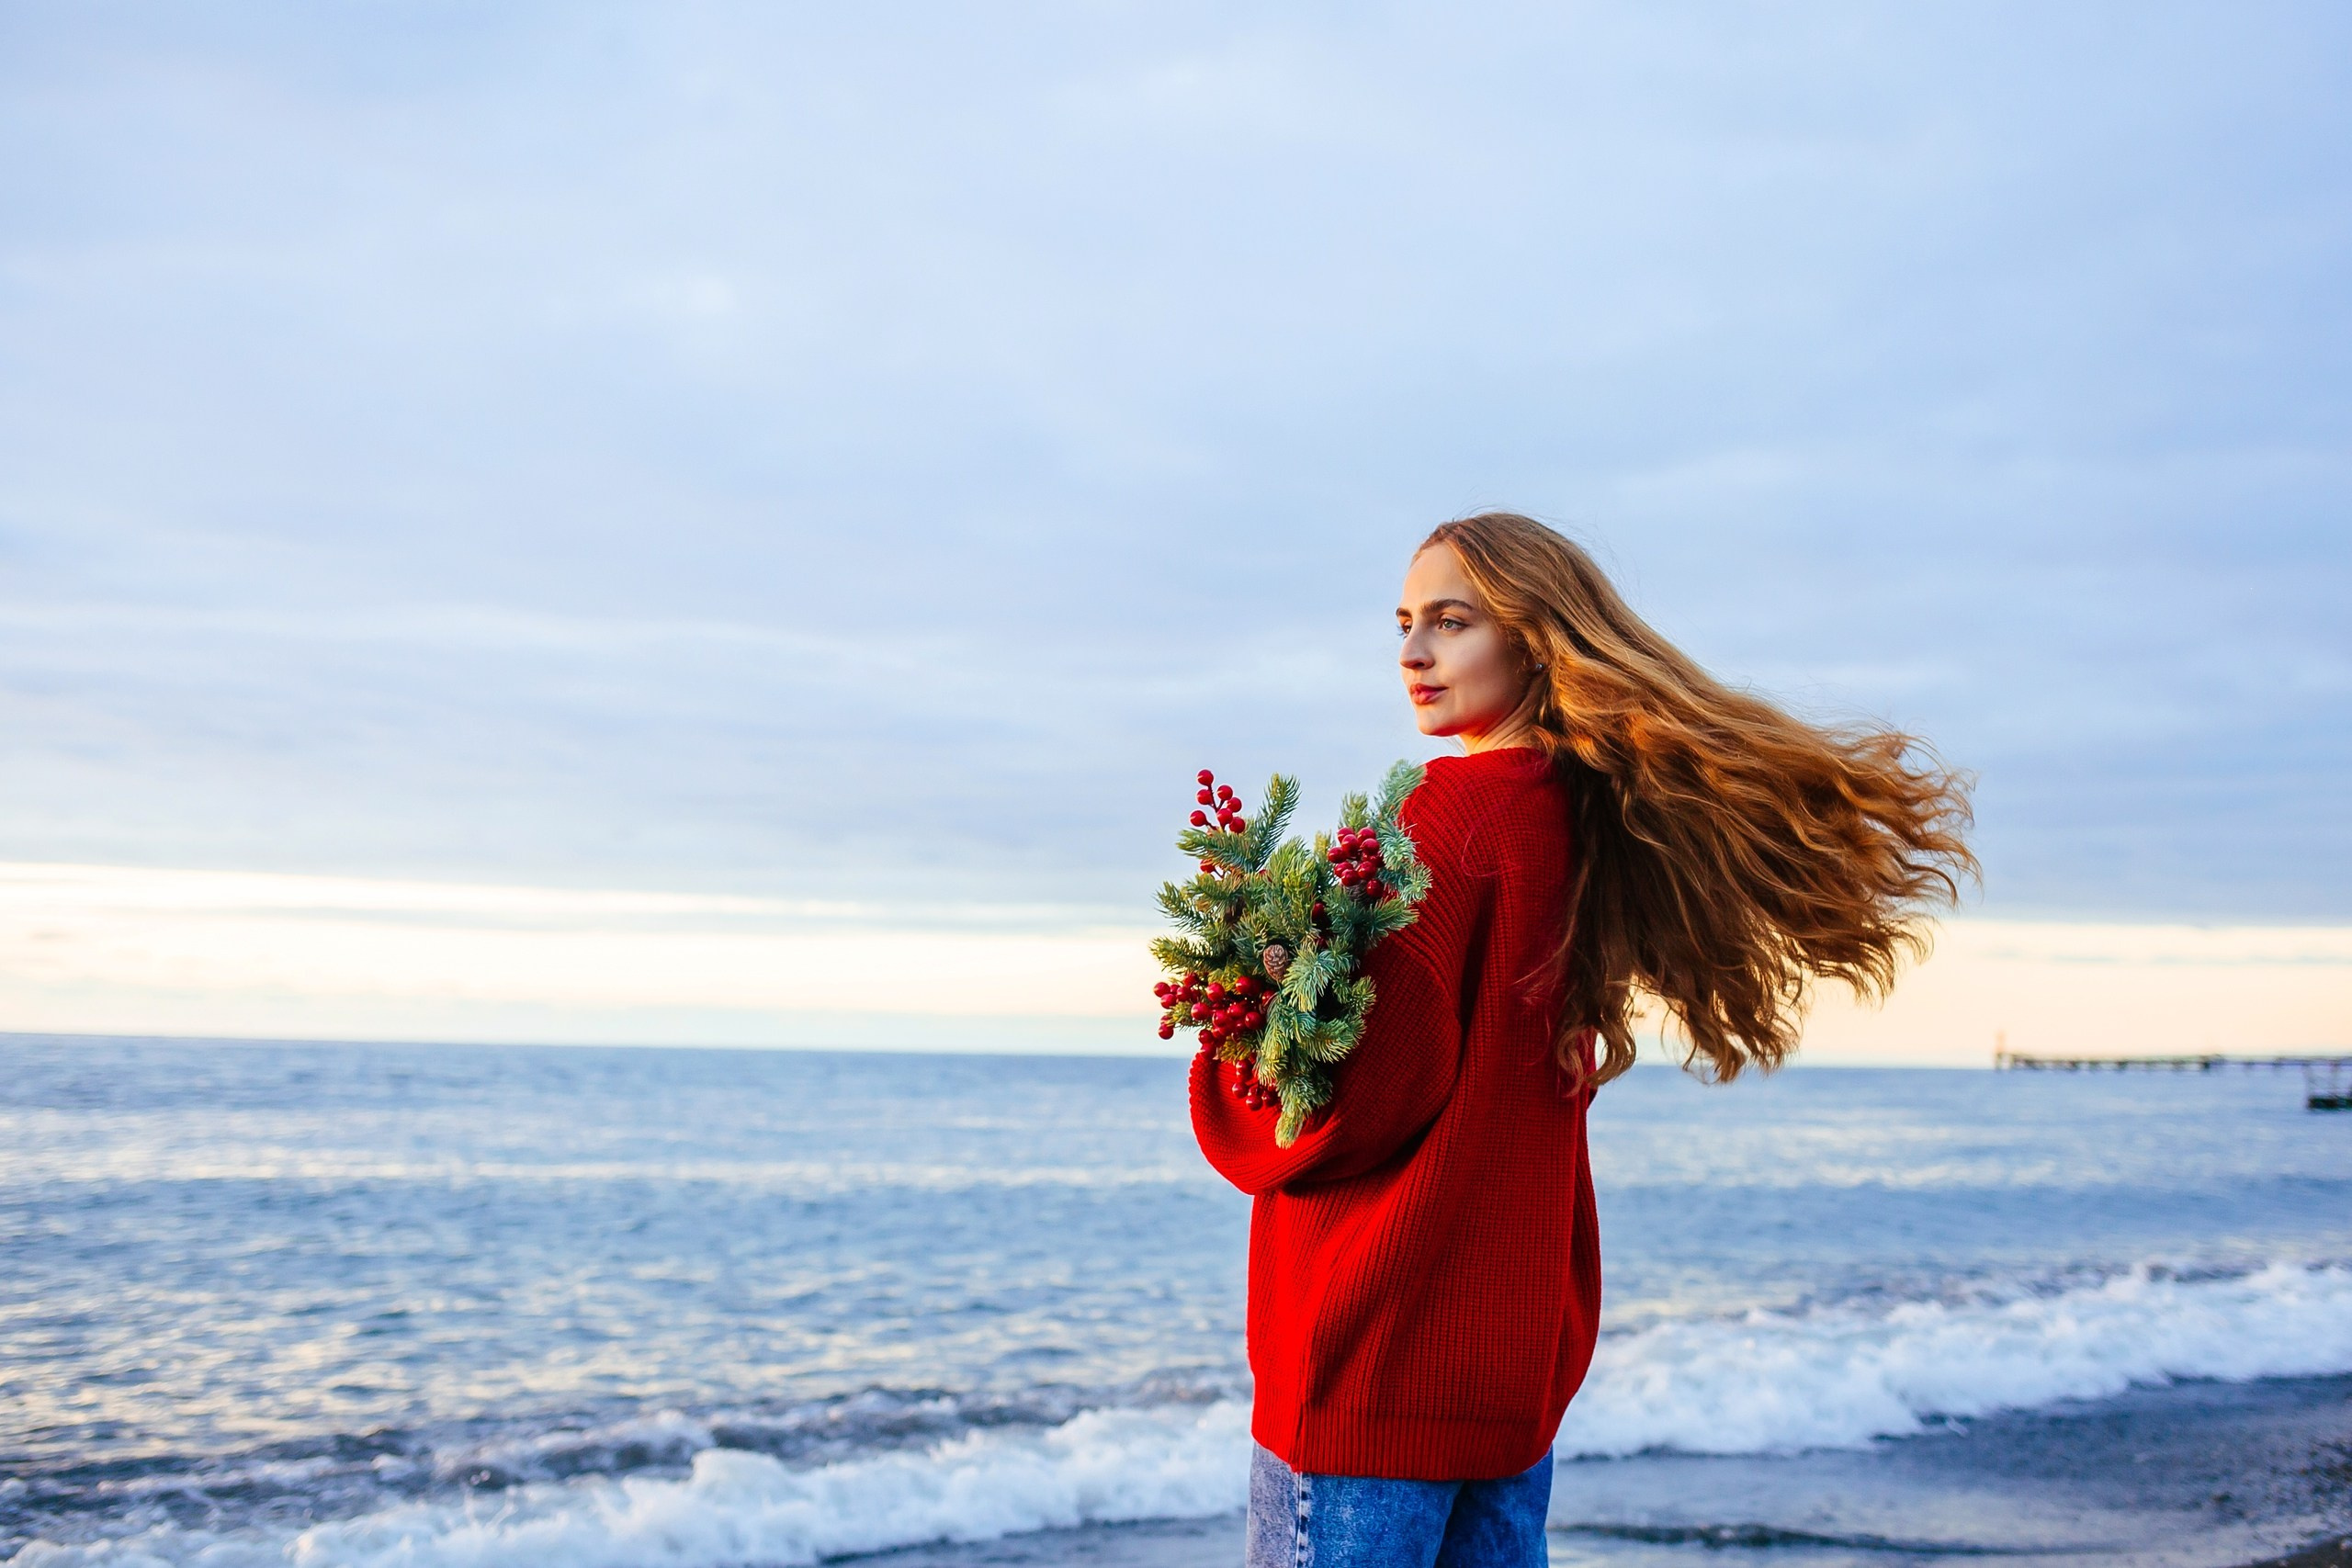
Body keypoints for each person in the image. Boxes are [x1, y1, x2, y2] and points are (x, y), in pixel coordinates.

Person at [1191, 512, 1975, 1567]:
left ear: (1533, 637)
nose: (1413, 655)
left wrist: (1232, 1045)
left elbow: (1344, 1108)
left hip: (1377, 1367)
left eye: (1451, 622)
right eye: (1404, 625)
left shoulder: (1442, 818)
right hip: (1507, 1370)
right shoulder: (1578, 820)